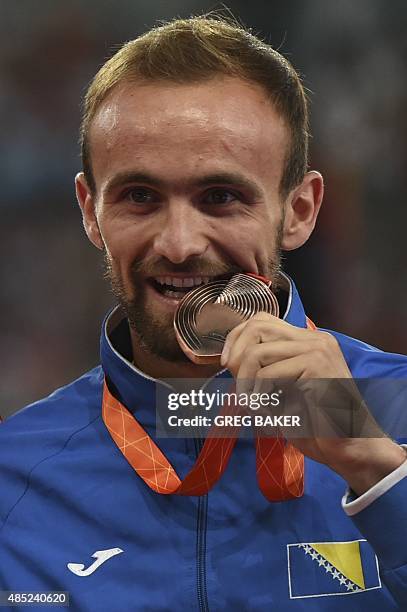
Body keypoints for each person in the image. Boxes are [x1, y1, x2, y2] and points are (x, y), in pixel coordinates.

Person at [1, 16, 407, 611]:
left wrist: (379, 472)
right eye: (140, 197)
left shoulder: (397, 413)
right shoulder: (13, 475)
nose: (180, 243)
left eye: (221, 197)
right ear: (91, 211)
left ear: (298, 210)